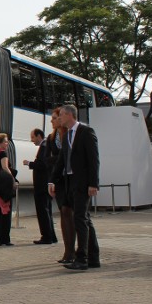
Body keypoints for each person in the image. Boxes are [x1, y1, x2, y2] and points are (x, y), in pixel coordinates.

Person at [50, 104, 100, 271]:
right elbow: (61, 161)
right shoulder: (66, 137)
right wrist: (52, 180)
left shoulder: (86, 132)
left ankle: (82, 258)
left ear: (70, 115)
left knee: (79, 218)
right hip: (70, 181)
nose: (60, 118)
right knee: (84, 218)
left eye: (62, 115)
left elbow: (94, 159)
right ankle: (93, 258)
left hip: (83, 182)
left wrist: (93, 183)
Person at [47, 108, 75, 263]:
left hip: (69, 178)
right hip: (59, 179)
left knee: (71, 213)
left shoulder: (69, 135)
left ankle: (75, 251)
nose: (52, 121)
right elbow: (48, 158)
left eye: (54, 118)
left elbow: (64, 157)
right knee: (64, 213)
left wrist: (57, 158)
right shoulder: (51, 138)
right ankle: (68, 251)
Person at [23, 128, 57, 244]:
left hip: (41, 186)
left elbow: (42, 164)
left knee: (43, 211)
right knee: (47, 210)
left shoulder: (44, 146)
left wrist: (29, 163)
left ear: (39, 136)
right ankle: (51, 236)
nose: (32, 140)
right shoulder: (47, 146)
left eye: (33, 137)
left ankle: (46, 236)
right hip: (45, 184)